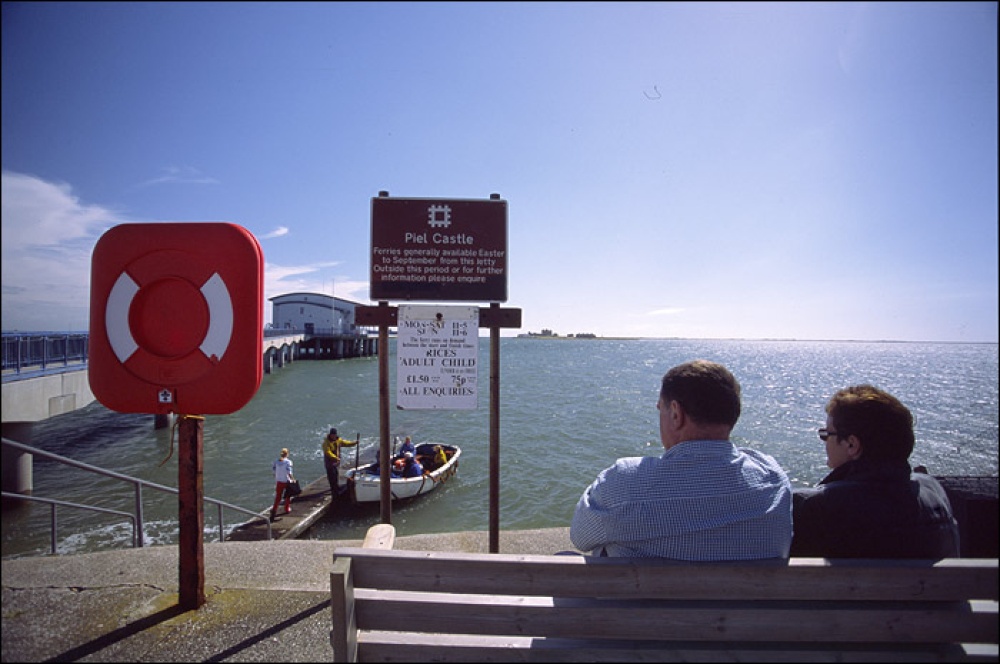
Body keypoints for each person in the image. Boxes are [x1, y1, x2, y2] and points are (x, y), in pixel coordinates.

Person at [570, 359, 793, 560]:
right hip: (744, 605)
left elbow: (580, 537)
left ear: (676, 414)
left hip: (642, 604)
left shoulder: (625, 481)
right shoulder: (773, 478)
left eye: (661, 409)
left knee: (567, 556)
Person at [791, 384, 960, 558]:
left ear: (852, 444)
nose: (824, 441)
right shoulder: (934, 494)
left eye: (826, 434)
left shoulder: (813, 506)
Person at [322, 428, 358, 498]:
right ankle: (334, 491)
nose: (333, 436)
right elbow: (328, 452)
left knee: (336, 474)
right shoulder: (326, 443)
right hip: (329, 463)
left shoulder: (338, 440)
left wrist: (354, 443)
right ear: (330, 435)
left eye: (334, 435)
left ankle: (336, 487)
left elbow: (346, 443)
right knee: (331, 476)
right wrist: (335, 458)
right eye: (332, 435)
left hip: (336, 462)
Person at [270, 448, 294, 521]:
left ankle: (274, 510)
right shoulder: (288, 462)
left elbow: (273, 470)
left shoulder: (276, 462)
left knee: (278, 497)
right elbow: (289, 472)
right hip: (286, 481)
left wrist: (276, 476)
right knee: (287, 496)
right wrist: (293, 479)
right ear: (287, 454)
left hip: (279, 481)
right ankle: (287, 509)